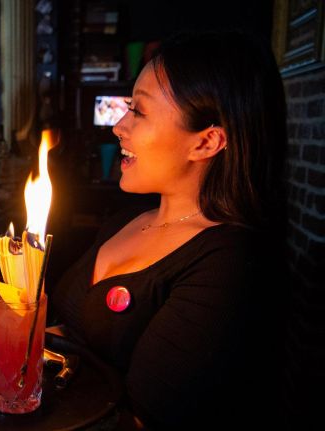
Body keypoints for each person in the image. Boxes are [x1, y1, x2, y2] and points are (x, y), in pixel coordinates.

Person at [49, 31, 287, 430]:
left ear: (206, 142)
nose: (118, 127)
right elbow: (69, 335)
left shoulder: (228, 264)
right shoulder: (124, 221)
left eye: (138, 112)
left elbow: (141, 420)